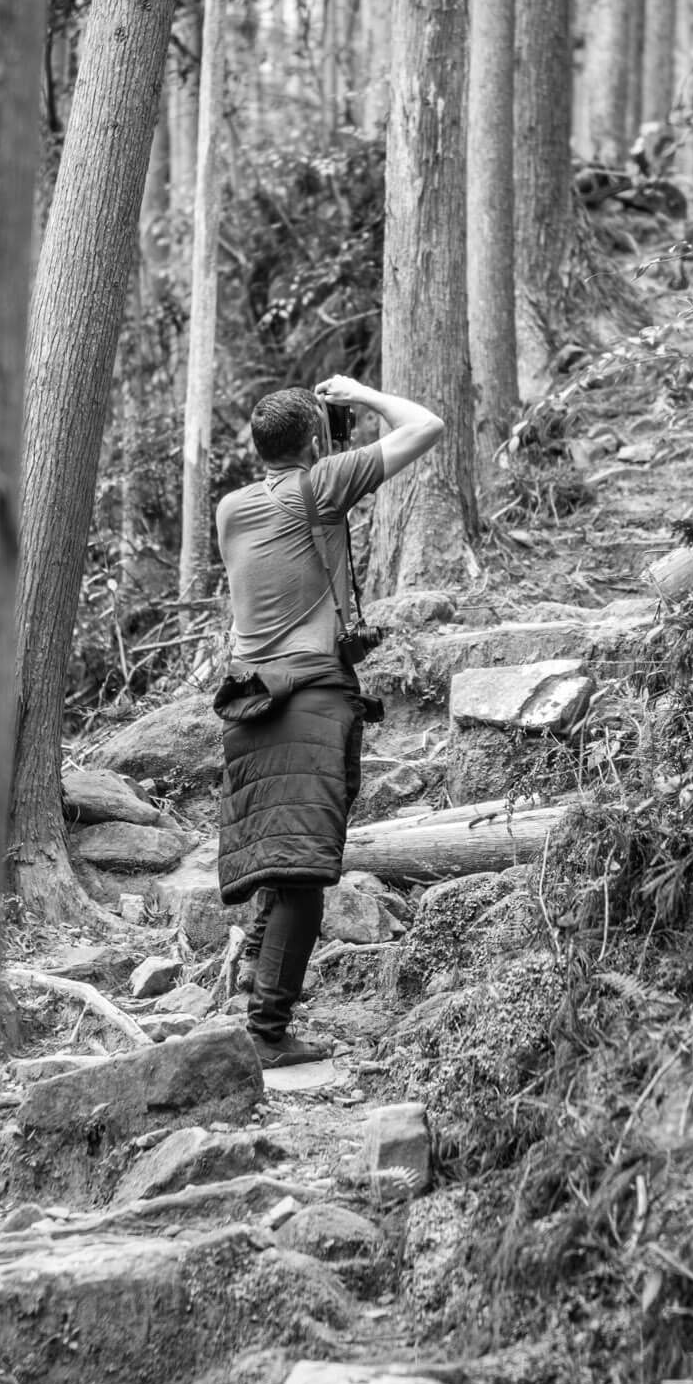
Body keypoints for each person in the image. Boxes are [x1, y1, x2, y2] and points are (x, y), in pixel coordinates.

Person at [212, 374, 444, 1069]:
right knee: (305, 874)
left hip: (250, 701)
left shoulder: (231, 508)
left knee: (286, 860)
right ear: (314, 441)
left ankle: (253, 991)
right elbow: (426, 424)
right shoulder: (321, 484)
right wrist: (361, 394)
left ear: (256, 447)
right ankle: (266, 1033)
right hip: (309, 700)